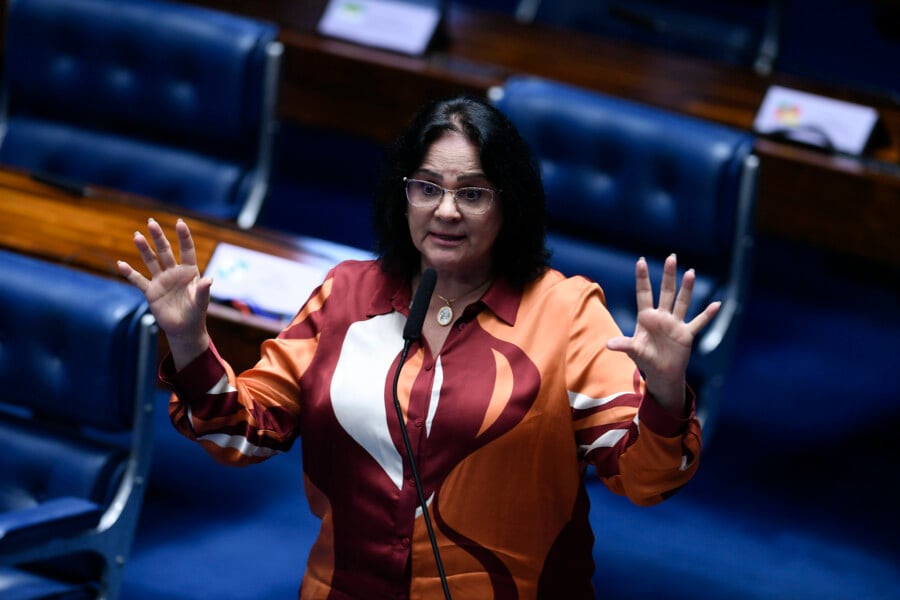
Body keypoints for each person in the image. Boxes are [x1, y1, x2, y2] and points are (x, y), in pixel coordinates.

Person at [117, 95, 719, 599]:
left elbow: (647, 480)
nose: (447, 211)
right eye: (427, 187)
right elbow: (242, 436)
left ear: (510, 203)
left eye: (474, 193)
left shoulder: (565, 314)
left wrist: (665, 391)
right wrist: (190, 341)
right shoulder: (347, 294)